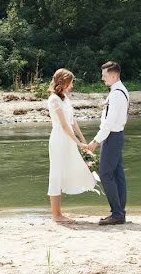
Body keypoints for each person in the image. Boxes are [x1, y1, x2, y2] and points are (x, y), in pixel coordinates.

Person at [46, 68, 96, 223]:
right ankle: (56, 215)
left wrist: (83, 139)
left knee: (73, 168)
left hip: (69, 139)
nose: (72, 86)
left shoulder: (65, 98)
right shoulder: (54, 99)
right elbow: (63, 125)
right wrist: (78, 142)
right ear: (63, 82)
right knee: (56, 173)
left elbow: (72, 121)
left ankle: (59, 212)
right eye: (70, 83)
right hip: (59, 139)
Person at [84, 61, 128, 225]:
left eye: (104, 75)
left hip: (112, 137)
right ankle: (120, 212)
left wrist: (96, 140)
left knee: (105, 174)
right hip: (117, 136)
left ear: (114, 75)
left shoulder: (116, 93)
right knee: (117, 174)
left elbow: (109, 123)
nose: (102, 78)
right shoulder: (120, 90)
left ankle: (117, 214)